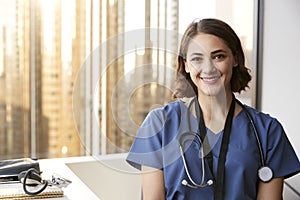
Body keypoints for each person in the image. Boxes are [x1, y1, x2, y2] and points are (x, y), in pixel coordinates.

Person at [126, 18, 300, 200]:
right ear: (186, 65)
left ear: (235, 59)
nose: (208, 69)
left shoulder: (267, 131)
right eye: (197, 59)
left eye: (218, 56)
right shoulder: (159, 124)